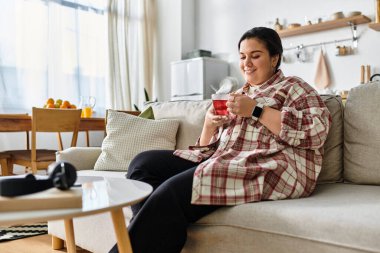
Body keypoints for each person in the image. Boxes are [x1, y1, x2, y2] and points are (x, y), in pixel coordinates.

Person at [109, 27, 331, 253]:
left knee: (172, 190)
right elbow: (209, 148)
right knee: (143, 165)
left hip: (266, 165)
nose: (247, 63)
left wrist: (257, 111)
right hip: (223, 158)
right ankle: (162, 235)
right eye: (243, 57)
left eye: (255, 56)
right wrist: (208, 125)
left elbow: (316, 131)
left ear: (275, 58)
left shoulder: (294, 87)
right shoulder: (237, 94)